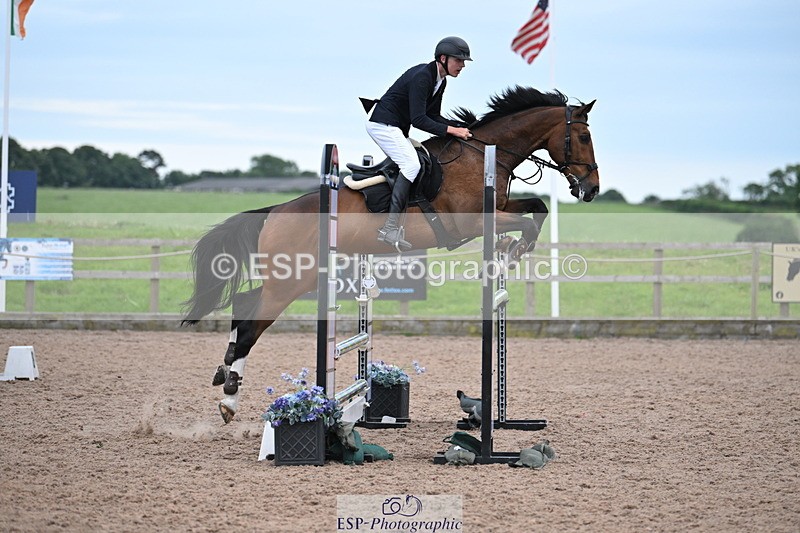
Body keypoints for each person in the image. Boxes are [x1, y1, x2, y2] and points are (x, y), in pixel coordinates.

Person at [366, 36, 474, 251]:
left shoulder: (440, 81)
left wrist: (461, 126)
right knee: (412, 165)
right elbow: (419, 120)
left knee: (418, 162)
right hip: (382, 125)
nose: (462, 65)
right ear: (443, 58)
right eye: (458, 60)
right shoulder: (422, 77)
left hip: (394, 127)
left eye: (463, 62)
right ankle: (389, 228)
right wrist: (453, 131)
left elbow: (433, 115)